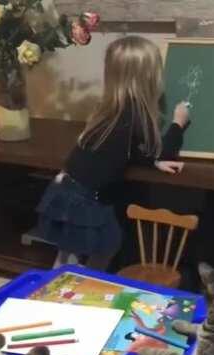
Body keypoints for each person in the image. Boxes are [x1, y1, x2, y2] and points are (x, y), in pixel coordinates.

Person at [36, 35, 190, 270]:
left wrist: (153, 163)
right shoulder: (134, 115)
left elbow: (126, 150)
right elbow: (163, 150)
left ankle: (78, 288)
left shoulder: (111, 111)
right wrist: (178, 123)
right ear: (148, 79)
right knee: (99, 250)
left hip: (66, 187)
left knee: (74, 256)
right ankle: (84, 291)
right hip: (84, 199)